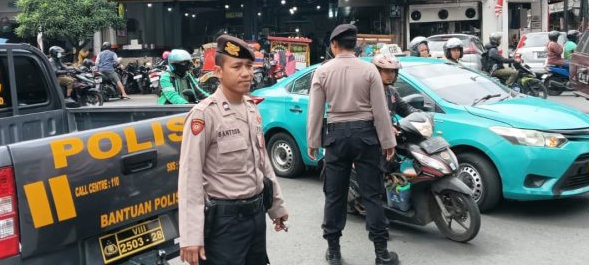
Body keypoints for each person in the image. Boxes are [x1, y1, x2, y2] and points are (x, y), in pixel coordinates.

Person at [178, 35, 289, 265]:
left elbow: (263, 163)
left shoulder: (251, 108)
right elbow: (190, 177)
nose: (246, 73)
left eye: (249, 66)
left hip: (256, 216)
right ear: (218, 71)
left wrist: (276, 206)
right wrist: (191, 236)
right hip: (224, 225)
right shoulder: (205, 115)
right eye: (237, 67)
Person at [307, 24, 399, 265]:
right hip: (366, 135)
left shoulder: (323, 71)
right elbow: (380, 110)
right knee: (373, 195)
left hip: (336, 137)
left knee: (335, 196)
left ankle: (334, 252)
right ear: (356, 45)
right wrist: (388, 140)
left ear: (333, 45)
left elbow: (316, 110)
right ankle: (381, 253)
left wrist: (313, 141)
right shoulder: (369, 70)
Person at [372, 54, 420, 119]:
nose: (390, 75)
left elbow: (404, 108)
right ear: (377, 72)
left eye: (392, 71)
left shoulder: (391, 91)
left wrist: (421, 114)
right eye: (386, 71)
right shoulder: (369, 91)